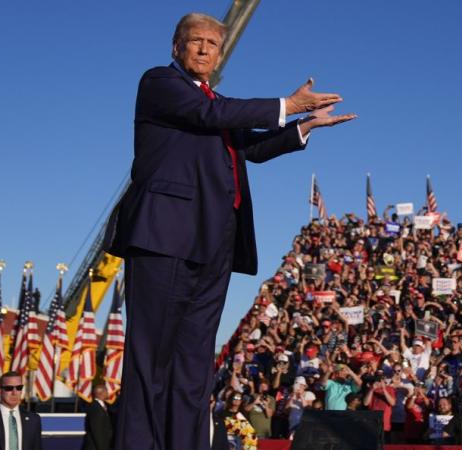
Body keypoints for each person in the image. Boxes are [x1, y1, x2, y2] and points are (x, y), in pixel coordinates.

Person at [105, 12, 355, 450]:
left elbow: (250, 146)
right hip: (165, 239)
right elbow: (211, 114)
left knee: (194, 366)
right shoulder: (161, 84)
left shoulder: (215, 104)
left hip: (215, 245)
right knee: (151, 361)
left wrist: (303, 126)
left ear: (220, 55)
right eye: (195, 41)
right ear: (176, 47)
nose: (203, 48)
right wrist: (286, 105)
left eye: (212, 44)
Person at [82, 384, 113, 450]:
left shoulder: (102, 406)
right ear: (100, 393)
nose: (108, 393)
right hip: (95, 447)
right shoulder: (95, 408)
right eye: (106, 391)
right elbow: (97, 431)